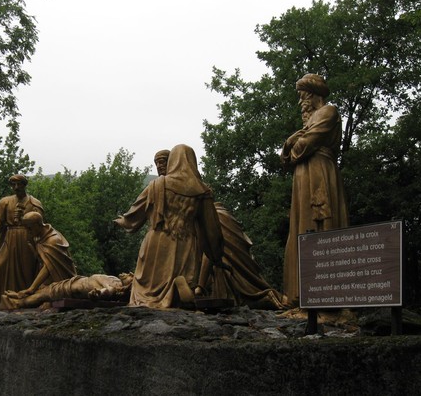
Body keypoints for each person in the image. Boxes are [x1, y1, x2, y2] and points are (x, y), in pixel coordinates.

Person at [154, 149, 287, 309]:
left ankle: (198, 289)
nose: (159, 166)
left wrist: (199, 287)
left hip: (213, 260)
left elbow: (210, 243)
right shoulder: (159, 189)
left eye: (163, 161)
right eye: (157, 163)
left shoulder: (209, 207)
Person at [114, 144, 224, 308]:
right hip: (185, 243)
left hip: (156, 241)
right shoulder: (202, 191)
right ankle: (176, 287)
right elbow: (212, 231)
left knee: (145, 294)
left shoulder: (158, 184)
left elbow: (134, 216)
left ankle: (156, 299)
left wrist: (121, 221)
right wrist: (216, 256)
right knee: (182, 284)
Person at [280, 73, 349, 305]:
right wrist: (291, 144)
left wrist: (293, 143)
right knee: (301, 225)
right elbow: (288, 157)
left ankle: (326, 295)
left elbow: (303, 146)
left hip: (320, 172)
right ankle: (300, 294)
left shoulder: (328, 112)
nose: (300, 103)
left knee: (320, 222)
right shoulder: (309, 122)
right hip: (303, 175)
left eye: (302, 97)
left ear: (312, 94)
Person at [0, 174, 44, 309]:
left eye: (19, 184)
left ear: (24, 185)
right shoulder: (4, 202)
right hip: (9, 236)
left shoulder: (34, 203)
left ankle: (24, 300)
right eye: (13, 185)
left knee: (27, 269)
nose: (16, 187)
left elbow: (39, 223)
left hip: (27, 237)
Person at [6, 211, 77, 300]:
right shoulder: (39, 236)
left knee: (27, 300)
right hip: (47, 282)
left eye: (29, 228)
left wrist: (31, 289)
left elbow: (48, 267)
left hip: (61, 282)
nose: (28, 232)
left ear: (37, 225)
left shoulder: (53, 240)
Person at [0, 272, 134, 310]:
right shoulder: (114, 281)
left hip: (70, 288)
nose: (128, 273)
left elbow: (109, 291)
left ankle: (15, 303)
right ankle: (19, 297)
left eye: (131, 275)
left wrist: (99, 294)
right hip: (73, 284)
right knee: (43, 293)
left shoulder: (115, 283)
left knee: (43, 295)